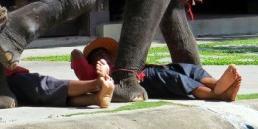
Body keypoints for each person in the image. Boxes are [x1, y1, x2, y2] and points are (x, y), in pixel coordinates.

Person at [71, 37, 242, 101]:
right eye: (98, 55)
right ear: (89, 62)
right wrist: (103, 70)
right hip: (142, 80)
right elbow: (75, 53)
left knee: (187, 69)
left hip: (151, 69)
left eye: (106, 54)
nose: (104, 57)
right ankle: (216, 95)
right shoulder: (92, 74)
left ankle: (217, 84)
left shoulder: (118, 62)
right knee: (176, 80)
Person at [0, 49, 114, 108]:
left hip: (11, 82)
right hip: (7, 84)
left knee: (47, 95)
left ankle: (96, 98)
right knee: (47, 87)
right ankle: (97, 83)